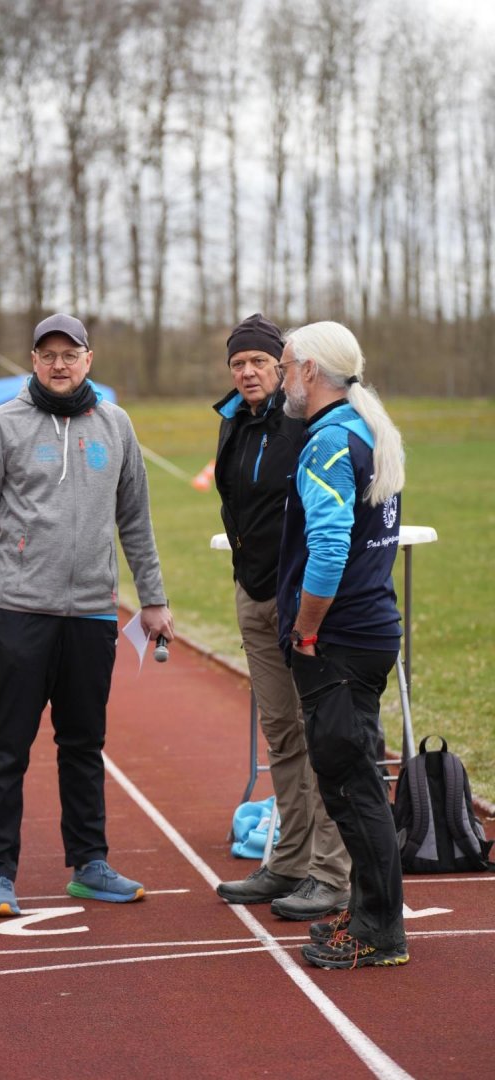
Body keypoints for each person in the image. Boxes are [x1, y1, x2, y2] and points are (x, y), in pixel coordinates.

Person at [0, 313, 174, 917]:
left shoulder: (116, 424)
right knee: (8, 746)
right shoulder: (3, 424)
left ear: (88, 360)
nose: (59, 364)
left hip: (93, 614)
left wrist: (152, 599)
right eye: (48, 354)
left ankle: (89, 863)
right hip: (21, 611)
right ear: (33, 360)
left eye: (69, 354)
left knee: (83, 744)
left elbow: (135, 519)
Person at [276, 320, 408, 970]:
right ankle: (368, 911)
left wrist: (305, 630)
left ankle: (380, 931)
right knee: (358, 779)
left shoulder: (330, 440)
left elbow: (328, 549)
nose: (281, 380)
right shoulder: (364, 427)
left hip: (340, 640)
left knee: (352, 789)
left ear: (308, 370)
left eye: (284, 366)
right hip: (369, 627)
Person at [213, 314, 351, 920]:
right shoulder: (232, 421)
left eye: (259, 362)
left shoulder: (306, 421)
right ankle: (289, 860)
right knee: (282, 733)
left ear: (283, 366)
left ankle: (331, 870)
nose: (247, 372)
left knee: (321, 732)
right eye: (237, 363)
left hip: (303, 600)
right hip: (253, 592)